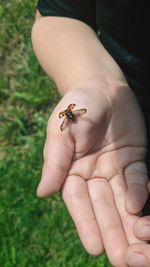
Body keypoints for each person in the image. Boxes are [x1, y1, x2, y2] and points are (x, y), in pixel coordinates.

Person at [31, 1, 150, 266]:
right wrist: (93, 79)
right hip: (125, 140)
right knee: (134, 226)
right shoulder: (73, 115)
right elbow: (58, 15)